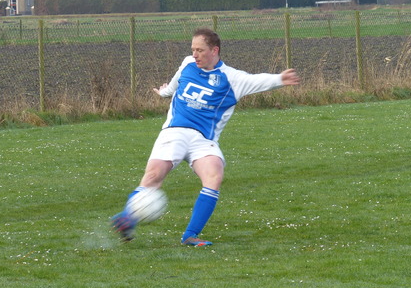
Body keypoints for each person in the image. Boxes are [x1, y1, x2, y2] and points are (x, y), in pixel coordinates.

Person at [111, 27, 300, 246]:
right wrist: (164, 92)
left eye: (200, 50)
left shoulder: (231, 78)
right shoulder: (187, 64)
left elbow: (257, 80)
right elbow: (175, 84)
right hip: (176, 131)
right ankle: (126, 219)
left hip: (204, 140)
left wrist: (280, 79)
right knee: (154, 175)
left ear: (214, 50)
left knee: (214, 175)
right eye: (193, 49)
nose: (195, 54)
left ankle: (190, 235)